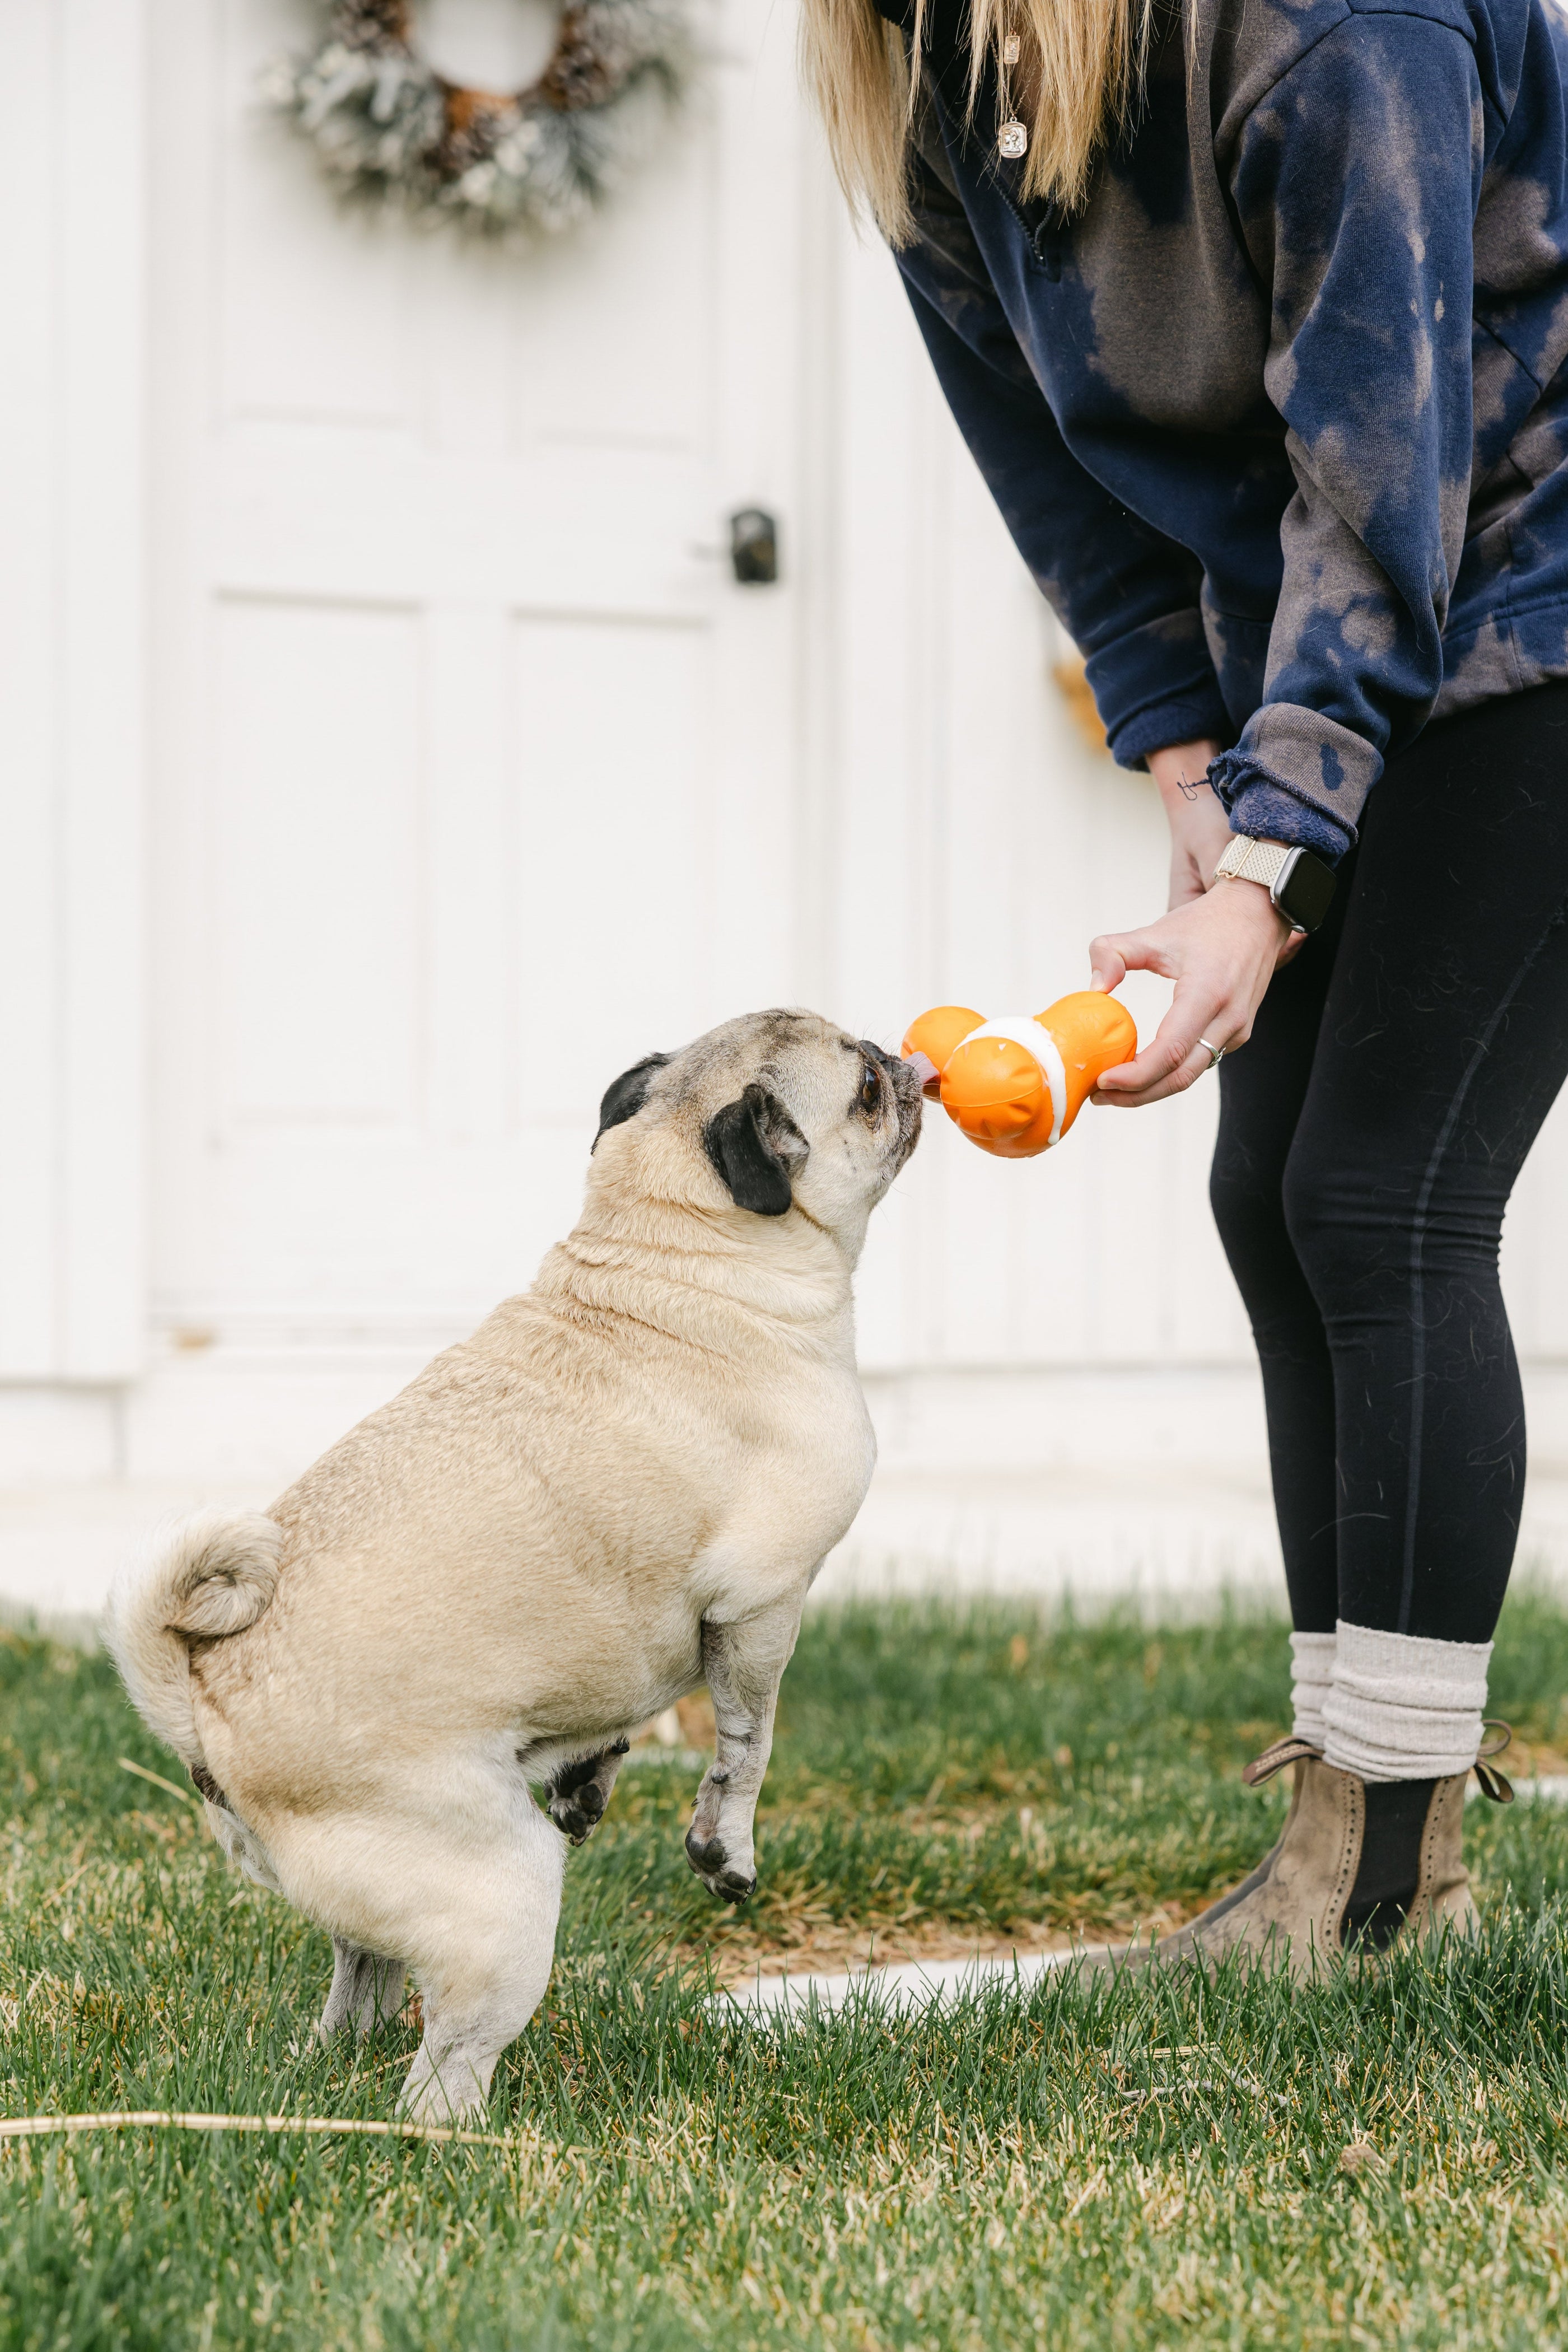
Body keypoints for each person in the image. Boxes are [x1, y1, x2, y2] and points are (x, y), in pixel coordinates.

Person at [801, 0, 1568, 1961]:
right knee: (1269, 1191)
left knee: (1381, 1197)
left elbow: (1387, 440)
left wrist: (1275, 844)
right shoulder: (925, 73)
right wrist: (1189, 767)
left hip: (1535, 581)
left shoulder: (1326, 27)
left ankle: (1372, 1877)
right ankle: (1385, 1827)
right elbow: (1050, 470)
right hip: (1334, 620)